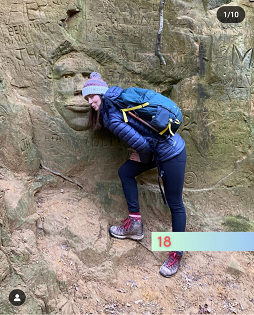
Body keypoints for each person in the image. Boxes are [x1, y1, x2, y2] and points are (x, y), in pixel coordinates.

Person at [82, 72, 187, 277]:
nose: (89, 102)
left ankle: (177, 254)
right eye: (86, 98)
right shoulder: (118, 99)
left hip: (172, 152)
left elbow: (143, 145)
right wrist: (140, 153)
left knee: (175, 203)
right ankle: (135, 224)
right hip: (158, 150)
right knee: (126, 172)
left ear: (101, 94)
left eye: (91, 97)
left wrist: (141, 156)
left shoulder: (111, 116)